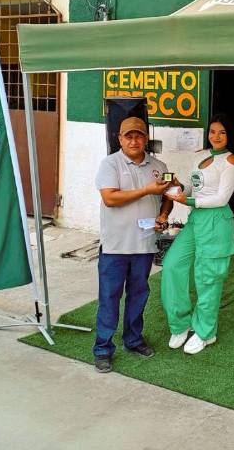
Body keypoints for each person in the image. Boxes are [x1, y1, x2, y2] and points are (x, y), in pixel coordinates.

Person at [92, 117, 172, 373]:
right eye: (129, 136)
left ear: (145, 138)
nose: (134, 141)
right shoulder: (110, 164)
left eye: (139, 136)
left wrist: (163, 215)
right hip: (115, 246)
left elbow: (168, 195)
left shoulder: (158, 166)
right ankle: (103, 349)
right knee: (109, 298)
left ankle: (133, 340)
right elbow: (110, 198)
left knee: (138, 295)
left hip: (145, 245)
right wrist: (147, 189)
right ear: (120, 139)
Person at [162, 114, 234, 355]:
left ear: (230, 136)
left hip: (217, 221)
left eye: (222, 132)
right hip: (196, 218)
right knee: (172, 265)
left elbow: (221, 198)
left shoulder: (232, 162)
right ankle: (181, 323)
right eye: (213, 131)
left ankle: (206, 332)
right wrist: (176, 186)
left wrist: (187, 200)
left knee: (208, 277)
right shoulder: (200, 156)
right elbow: (190, 185)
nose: (216, 136)